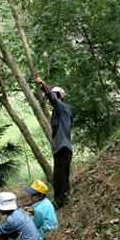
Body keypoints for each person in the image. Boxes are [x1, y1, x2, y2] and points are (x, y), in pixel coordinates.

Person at [34, 77, 73, 209]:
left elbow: (51, 97)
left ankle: (59, 202)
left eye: (54, 94)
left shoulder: (62, 108)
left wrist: (44, 85)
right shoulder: (59, 112)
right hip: (59, 147)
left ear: (59, 97)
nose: (50, 97)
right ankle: (62, 198)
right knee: (59, 176)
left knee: (60, 178)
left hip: (63, 147)